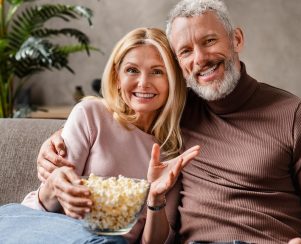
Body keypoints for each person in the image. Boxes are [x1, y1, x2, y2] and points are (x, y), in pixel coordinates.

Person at [37, 0, 301, 243]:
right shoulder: (178, 113)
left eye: (210, 41)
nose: (200, 59)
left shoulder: (297, 115)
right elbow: (123, 112)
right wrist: (58, 140)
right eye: (185, 51)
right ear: (179, 66)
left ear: (236, 39)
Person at [0, 27, 199, 244]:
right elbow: (47, 204)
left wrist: (155, 198)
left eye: (157, 71)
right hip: (42, 230)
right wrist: (54, 186)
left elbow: (151, 243)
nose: (143, 82)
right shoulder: (91, 115)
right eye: (132, 70)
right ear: (117, 77)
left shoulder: (173, 149)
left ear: (173, 80)